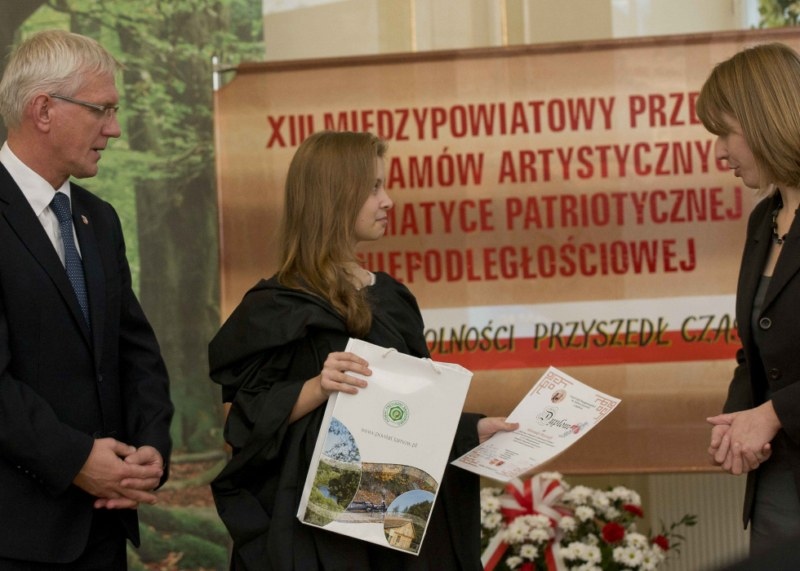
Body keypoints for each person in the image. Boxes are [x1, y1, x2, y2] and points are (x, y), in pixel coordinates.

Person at [209, 130, 517, 570]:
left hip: (394, 521)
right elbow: (244, 422)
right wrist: (317, 387)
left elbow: (409, 409)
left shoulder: (392, 297)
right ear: (334, 197)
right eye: (374, 188)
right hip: (319, 539)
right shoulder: (275, 308)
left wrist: (472, 430)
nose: (388, 201)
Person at [0, 30, 173, 569]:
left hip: (103, 526)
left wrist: (151, 449)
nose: (114, 128)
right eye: (102, 109)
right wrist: (76, 459)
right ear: (43, 110)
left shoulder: (99, 219)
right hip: (16, 536)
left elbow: (135, 351)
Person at [697, 42, 800, 554]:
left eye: (725, 133)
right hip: (778, 483)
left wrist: (774, 413)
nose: (719, 153)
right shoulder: (764, 219)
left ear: (765, 120)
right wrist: (738, 418)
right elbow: (757, 349)